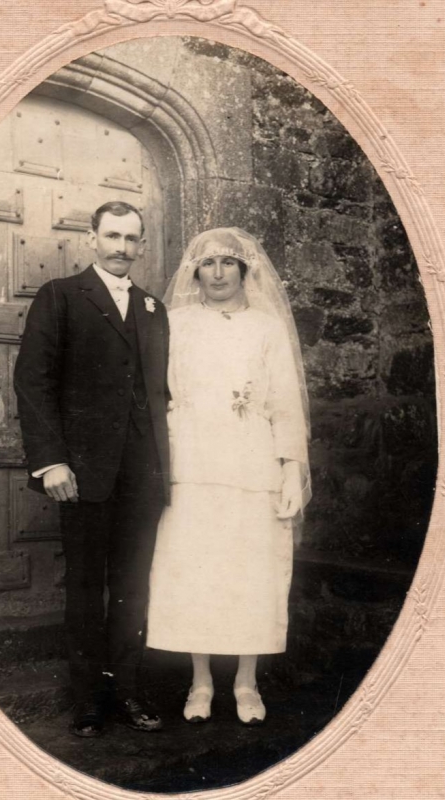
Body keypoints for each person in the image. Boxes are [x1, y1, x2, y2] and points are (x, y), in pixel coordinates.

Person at [14, 201, 170, 738]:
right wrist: (51, 461)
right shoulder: (59, 296)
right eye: (112, 236)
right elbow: (33, 383)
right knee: (84, 587)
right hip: (81, 474)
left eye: (131, 238)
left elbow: (158, 394)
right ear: (91, 237)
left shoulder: (154, 308)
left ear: (142, 244)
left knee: (133, 587)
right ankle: (87, 700)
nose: (121, 248)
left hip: (142, 475)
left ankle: (128, 691)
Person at [147, 227, 311, 725]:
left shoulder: (266, 328)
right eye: (207, 264)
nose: (217, 274)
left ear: (244, 271)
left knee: (249, 571)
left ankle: (246, 680)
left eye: (227, 264)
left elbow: (285, 405)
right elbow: (158, 395)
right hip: (191, 464)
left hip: (250, 463)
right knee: (196, 571)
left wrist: (290, 471)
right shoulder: (173, 324)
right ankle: (200, 681)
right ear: (193, 271)